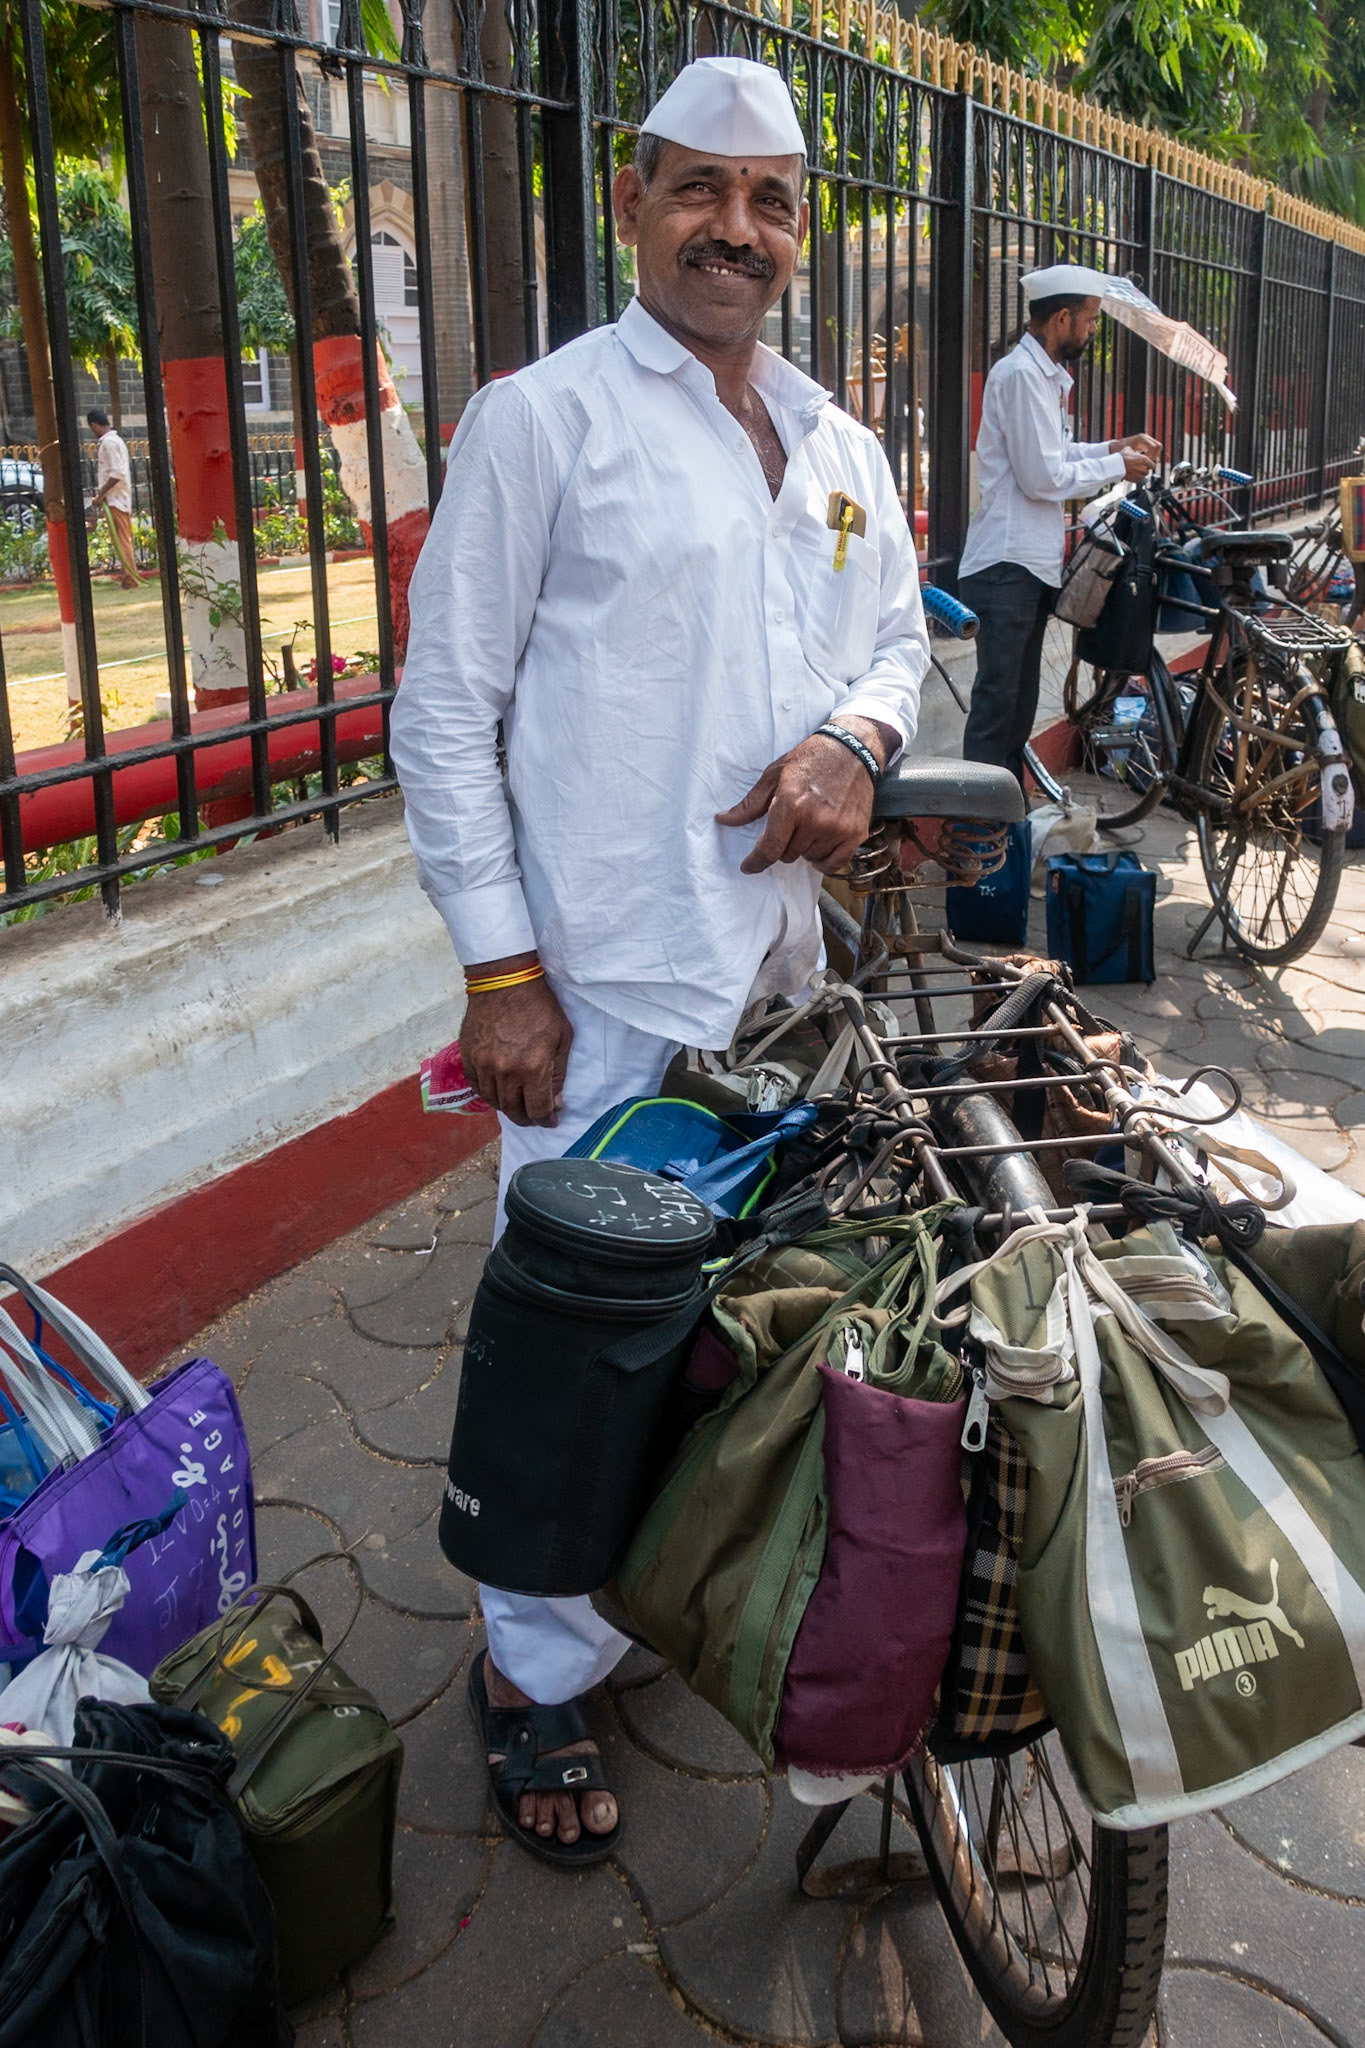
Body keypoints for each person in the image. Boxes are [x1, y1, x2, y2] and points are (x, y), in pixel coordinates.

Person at [392, 55, 929, 1867]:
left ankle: (653, 1588)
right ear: (635, 201)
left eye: (771, 200)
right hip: (600, 991)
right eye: (701, 189)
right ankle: (531, 1667)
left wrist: (856, 739)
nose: (738, 230)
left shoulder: (839, 445)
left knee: (720, 1322)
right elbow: (442, 715)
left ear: (802, 229)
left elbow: (896, 641)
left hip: (780, 983)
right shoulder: (542, 422)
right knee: (569, 1343)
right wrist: (496, 974)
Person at [957, 265, 1160, 789]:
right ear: (1062, 317)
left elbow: (1056, 454)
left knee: (1017, 710)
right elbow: (1042, 477)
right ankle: (974, 839)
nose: (1093, 330)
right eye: (1090, 320)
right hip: (1006, 567)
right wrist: (1119, 467)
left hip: (1028, 567)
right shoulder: (1022, 376)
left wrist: (1111, 449)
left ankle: (998, 832)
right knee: (998, 708)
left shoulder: (1043, 376)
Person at [86, 409, 142, 590]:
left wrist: (101, 494)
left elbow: (117, 473)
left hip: (116, 499)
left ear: (94, 425)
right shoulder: (114, 441)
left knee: (122, 539)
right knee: (121, 539)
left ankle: (131, 579)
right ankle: (129, 576)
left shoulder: (109, 443)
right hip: (116, 499)